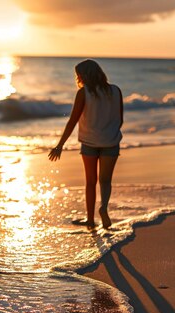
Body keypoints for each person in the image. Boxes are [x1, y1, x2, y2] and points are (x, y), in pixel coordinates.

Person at [48, 59, 123, 229]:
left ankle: (90, 220)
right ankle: (103, 207)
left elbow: (72, 121)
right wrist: (109, 132)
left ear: (83, 75)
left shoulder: (84, 92)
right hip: (111, 141)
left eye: (78, 75)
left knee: (91, 182)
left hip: (90, 142)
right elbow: (120, 119)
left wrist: (60, 145)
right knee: (105, 180)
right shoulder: (116, 91)